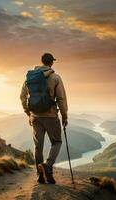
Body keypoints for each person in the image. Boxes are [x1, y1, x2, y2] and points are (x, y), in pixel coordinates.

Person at [20, 53, 68, 184]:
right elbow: (61, 99)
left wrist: (27, 112)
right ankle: (47, 166)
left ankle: (40, 175)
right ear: (51, 63)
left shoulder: (29, 78)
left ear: (41, 62)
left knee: (38, 146)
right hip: (51, 116)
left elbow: (22, 97)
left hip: (35, 116)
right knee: (57, 142)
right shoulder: (55, 77)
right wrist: (64, 116)